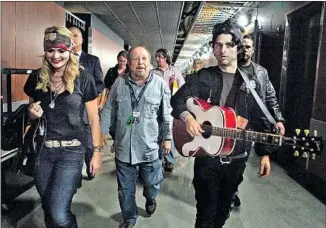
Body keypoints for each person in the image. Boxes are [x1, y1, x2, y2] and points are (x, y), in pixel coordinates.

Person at [170, 19, 285, 228]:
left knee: (223, 211)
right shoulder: (204, 77)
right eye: (218, 45)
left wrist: (265, 153)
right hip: (207, 158)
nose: (223, 50)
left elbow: (260, 118)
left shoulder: (252, 82)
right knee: (205, 213)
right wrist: (188, 117)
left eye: (229, 45)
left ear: (237, 48)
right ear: (213, 49)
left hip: (237, 158)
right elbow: (177, 99)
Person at [23, 26, 102, 228]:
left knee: (59, 213)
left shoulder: (83, 79)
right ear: (45, 51)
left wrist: (97, 152)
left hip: (71, 151)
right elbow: (32, 116)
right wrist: (31, 114)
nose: (55, 56)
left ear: (70, 50)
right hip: (43, 151)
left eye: (61, 50)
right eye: (50, 50)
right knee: (48, 207)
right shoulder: (36, 78)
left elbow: (94, 119)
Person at [100, 45, 172, 228]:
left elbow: (166, 115)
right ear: (129, 63)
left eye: (144, 59)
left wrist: (168, 138)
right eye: (135, 59)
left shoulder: (160, 85)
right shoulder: (118, 83)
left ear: (150, 62)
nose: (140, 63)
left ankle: (150, 196)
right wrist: (101, 133)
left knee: (151, 182)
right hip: (124, 146)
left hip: (149, 147)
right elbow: (108, 109)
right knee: (125, 189)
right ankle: (129, 217)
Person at [229, 34, 286, 209]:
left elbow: (270, 98)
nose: (244, 50)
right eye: (241, 46)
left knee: (240, 162)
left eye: (248, 47)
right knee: (226, 160)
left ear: (253, 50)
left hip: (249, 128)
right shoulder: (229, 70)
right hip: (229, 124)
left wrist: (278, 118)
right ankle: (226, 191)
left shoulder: (261, 73)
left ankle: (232, 190)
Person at [69, 26, 105, 180]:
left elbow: (100, 84)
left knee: (88, 141)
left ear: (82, 39)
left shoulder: (92, 60)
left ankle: (90, 164)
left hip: (86, 107)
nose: (72, 39)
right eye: (69, 36)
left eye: (75, 35)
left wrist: (87, 94)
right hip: (68, 109)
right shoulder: (60, 59)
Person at [152, 48, 185, 172]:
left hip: (170, 106)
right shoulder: (153, 72)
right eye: (156, 57)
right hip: (156, 105)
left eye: (160, 57)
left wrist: (175, 83)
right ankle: (158, 158)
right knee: (157, 131)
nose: (157, 59)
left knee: (169, 132)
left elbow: (183, 88)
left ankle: (169, 160)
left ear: (166, 58)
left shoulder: (175, 71)